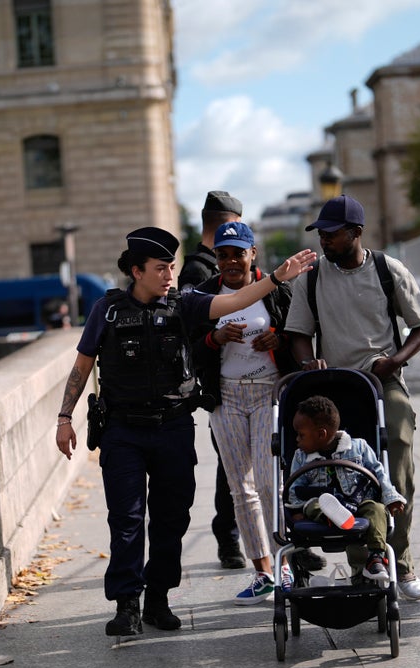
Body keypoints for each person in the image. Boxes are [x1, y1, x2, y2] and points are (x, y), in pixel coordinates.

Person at [55, 226, 316, 635]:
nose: (170, 275)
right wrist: (65, 417)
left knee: (170, 519)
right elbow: (82, 365)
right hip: (122, 431)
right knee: (125, 519)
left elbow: (236, 299)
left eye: (172, 267)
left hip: (173, 428)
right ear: (137, 271)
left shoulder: (185, 304)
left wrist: (276, 278)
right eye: (161, 268)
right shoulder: (106, 311)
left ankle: (158, 600)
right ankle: (127, 605)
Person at [285, 195, 420, 601]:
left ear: (356, 233)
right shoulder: (311, 277)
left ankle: (400, 563)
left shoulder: (388, 270)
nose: (324, 242)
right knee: (347, 471)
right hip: (334, 385)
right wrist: (306, 361)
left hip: (381, 381)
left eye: (331, 234)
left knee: (396, 454)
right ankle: (365, 564)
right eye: (321, 235)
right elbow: (297, 332)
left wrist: (395, 360)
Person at [189, 221, 298, 605]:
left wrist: (278, 338)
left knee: (270, 485)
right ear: (216, 258)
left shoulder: (276, 288)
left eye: (239, 252)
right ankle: (263, 571)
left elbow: (298, 335)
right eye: (223, 254)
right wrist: (213, 338)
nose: (231, 261)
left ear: (253, 254)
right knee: (241, 489)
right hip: (227, 398)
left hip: (270, 393)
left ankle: (286, 565)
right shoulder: (204, 295)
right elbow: (190, 350)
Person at [178, 189, 247, 570]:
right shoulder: (199, 272)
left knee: (245, 465)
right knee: (230, 466)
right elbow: (193, 335)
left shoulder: (208, 265)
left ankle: (250, 537)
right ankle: (229, 538)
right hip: (221, 383)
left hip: (248, 380)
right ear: (229, 223)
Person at [287, 396, 406, 583]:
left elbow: (379, 473)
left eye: (301, 435)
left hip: (359, 504)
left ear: (321, 434)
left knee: (377, 509)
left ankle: (375, 558)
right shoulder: (300, 457)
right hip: (322, 505)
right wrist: (295, 510)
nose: (297, 440)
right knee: (313, 505)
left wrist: (391, 497)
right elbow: (295, 487)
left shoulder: (358, 447)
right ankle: (333, 515)